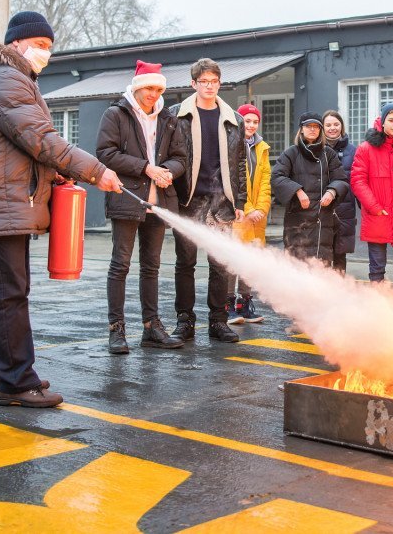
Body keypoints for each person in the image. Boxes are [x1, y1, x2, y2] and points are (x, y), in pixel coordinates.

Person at [0, 10, 122, 408]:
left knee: (8, 293)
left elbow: (26, 148)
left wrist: (56, 176)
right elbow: (40, 139)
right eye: (41, 45)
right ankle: (16, 384)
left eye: (50, 46)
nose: (46, 53)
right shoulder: (4, 78)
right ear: (16, 43)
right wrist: (95, 171)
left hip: (6, 202)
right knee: (9, 294)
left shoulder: (9, 78)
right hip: (0, 204)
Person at [96, 61, 188, 355]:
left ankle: (152, 328)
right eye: (149, 87)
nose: (154, 93)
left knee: (151, 266)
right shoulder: (116, 114)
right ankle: (116, 329)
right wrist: (146, 168)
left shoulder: (168, 119)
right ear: (137, 87)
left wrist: (168, 172)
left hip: (159, 201)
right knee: (120, 265)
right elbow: (106, 153)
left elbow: (180, 157)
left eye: (159, 88)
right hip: (126, 199)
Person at [169, 59, 247, 344]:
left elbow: (240, 164)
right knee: (185, 263)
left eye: (213, 81)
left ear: (219, 83)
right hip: (189, 199)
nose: (209, 86)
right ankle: (185, 321)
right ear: (193, 84)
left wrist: (240, 200)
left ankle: (218, 320)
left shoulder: (234, 119)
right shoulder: (176, 116)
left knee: (219, 264)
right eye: (203, 81)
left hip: (221, 201)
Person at [350, 103, 393, 294]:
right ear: (382, 121)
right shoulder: (366, 149)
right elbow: (357, 181)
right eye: (391, 120)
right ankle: (378, 308)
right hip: (378, 215)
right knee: (377, 268)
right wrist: (375, 207)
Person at [270, 112, 350, 265]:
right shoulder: (290, 153)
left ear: (320, 130)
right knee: (297, 265)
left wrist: (332, 191)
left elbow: (341, 179)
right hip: (297, 220)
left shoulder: (329, 154)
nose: (312, 129)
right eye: (308, 126)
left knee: (321, 266)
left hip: (323, 219)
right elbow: (277, 177)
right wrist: (297, 191)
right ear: (301, 129)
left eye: (316, 126)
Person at [227, 103, 271, 325]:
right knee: (233, 261)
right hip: (237, 213)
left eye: (255, 121)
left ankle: (244, 304)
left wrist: (262, 209)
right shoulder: (231, 144)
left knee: (249, 261)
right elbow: (234, 181)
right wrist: (249, 208)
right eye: (247, 120)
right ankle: (227, 306)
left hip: (255, 218)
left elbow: (265, 182)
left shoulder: (262, 148)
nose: (251, 125)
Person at [322, 110, 358, 273]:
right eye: (328, 125)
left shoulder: (353, 150)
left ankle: (339, 293)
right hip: (322, 208)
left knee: (340, 255)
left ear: (342, 126)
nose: (332, 128)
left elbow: (357, 179)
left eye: (336, 124)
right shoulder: (316, 149)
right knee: (321, 254)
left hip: (344, 209)